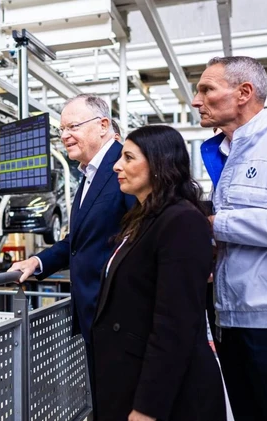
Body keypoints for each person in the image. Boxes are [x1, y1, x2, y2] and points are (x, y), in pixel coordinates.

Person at [194, 55, 267, 420]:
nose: (196, 101)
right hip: (232, 321)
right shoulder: (225, 152)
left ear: (244, 92)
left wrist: (216, 225)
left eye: (207, 89)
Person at [92, 125, 226, 421]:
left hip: (167, 394)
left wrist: (147, 407)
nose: (117, 165)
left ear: (158, 163)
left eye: (128, 158)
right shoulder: (142, 218)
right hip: (131, 375)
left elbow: (174, 324)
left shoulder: (182, 221)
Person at [8, 94, 135, 397]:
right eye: (61, 129)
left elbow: (141, 235)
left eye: (73, 126)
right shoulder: (89, 174)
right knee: (107, 402)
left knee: (123, 402)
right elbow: (78, 243)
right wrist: (37, 263)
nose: (64, 135)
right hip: (97, 315)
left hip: (122, 316)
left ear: (103, 125)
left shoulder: (125, 164)